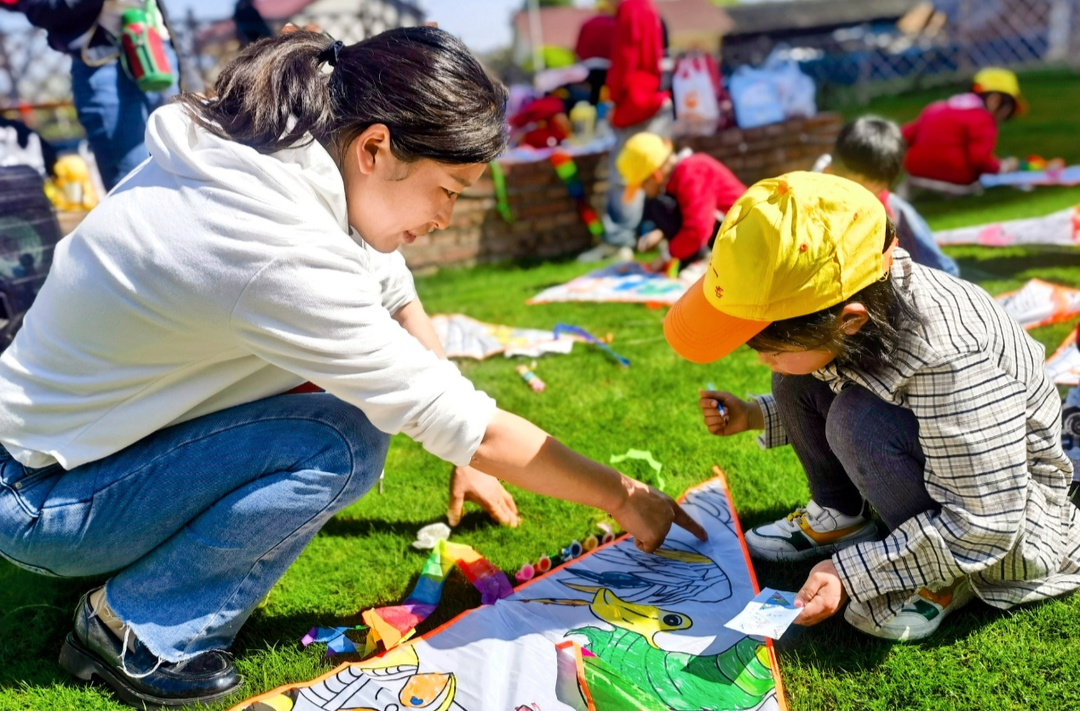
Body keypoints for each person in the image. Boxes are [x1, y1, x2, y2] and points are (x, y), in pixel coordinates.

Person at [0, 28, 706, 709]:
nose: (442, 218)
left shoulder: (292, 155)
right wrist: (622, 496)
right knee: (343, 438)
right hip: (38, 496)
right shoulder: (275, 244)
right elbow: (457, 419)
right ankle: (134, 628)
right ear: (375, 147)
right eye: (450, 191)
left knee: (333, 397)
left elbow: (393, 289)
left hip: (59, 457)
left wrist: (469, 446)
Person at [665, 171, 1080, 641]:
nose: (760, 358)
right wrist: (756, 413)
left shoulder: (950, 357)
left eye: (769, 345)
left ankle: (945, 577)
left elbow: (984, 521)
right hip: (957, 464)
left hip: (1008, 516)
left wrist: (853, 574)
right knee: (794, 378)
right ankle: (841, 516)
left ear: (848, 320)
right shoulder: (863, 292)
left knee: (854, 420)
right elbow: (844, 380)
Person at [6, 0, 181, 191]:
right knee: (134, 185)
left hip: (160, 50)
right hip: (102, 64)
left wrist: (191, 78)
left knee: (182, 173)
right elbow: (37, 8)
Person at [577, 0, 673, 263]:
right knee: (658, 171)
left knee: (625, 172)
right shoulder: (646, 7)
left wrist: (615, 99)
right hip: (651, 98)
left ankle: (619, 241)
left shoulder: (631, 8)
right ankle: (665, 235)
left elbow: (625, 58)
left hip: (635, 102)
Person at [824, 116, 960, 277]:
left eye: (876, 189)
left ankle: (948, 280)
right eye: (860, 187)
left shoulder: (891, 209)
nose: (866, 196)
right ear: (832, 171)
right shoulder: (814, 194)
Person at [617, 132, 746, 272]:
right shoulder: (681, 174)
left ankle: (703, 263)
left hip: (741, 238)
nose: (644, 192)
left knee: (658, 207)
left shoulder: (692, 171)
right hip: (727, 234)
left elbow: (697, 230)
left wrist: (664, 257)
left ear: (655, 175)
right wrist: (661, 234)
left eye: (642, 186)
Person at [901, 67, 1024, 190]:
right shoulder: (982, 118)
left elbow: (905, 135)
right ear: (995, 101)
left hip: (915, 174)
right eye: (1008, 111)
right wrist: (1003, 167)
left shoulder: (936, 108)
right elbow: (979, 158)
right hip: (954, 179)